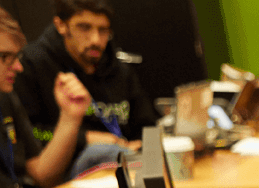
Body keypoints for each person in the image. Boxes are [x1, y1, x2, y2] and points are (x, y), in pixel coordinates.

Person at [1, 7, 120, 188]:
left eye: (16, 57)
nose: (18, 67)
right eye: (5, 57)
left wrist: (70, 117)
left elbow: (42, 174)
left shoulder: (6, 97)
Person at [13, 0, 156, 178]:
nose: (95, 39)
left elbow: (147, 125)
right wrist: (86, 138)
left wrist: (141, 145)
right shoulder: (30, 65)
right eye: (84, 28)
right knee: (102, 153)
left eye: (103, 30)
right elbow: (32, 133)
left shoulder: (120, 70)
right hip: (65, 170)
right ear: (61, 25)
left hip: (125, 161)